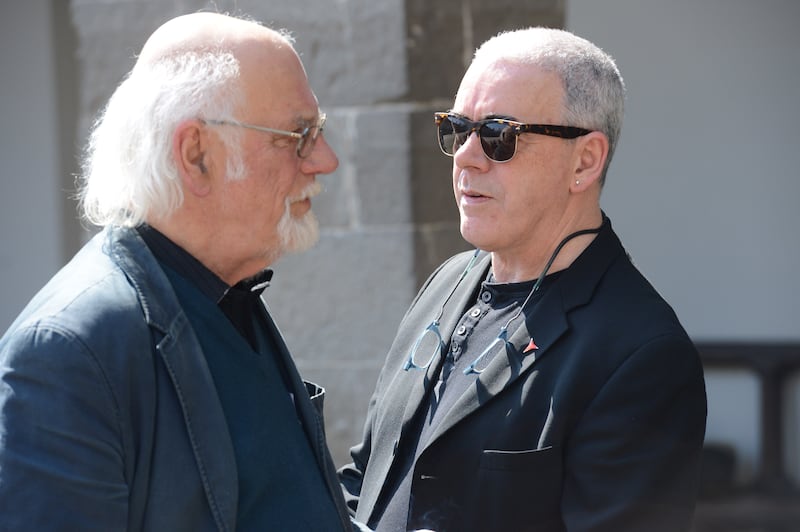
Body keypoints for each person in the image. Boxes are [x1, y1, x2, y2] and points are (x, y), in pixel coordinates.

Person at [339, 27, 707, 532]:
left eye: (498, 135)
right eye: (456, 129)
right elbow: (370, 478)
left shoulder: (640, 355)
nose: (466, 156)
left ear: (585, 160)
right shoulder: (447, 282)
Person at [0, 12, 358, 531]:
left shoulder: (226, 292)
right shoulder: (68, 351)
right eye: (298, 134)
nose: (324, 159)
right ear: (196, 155)